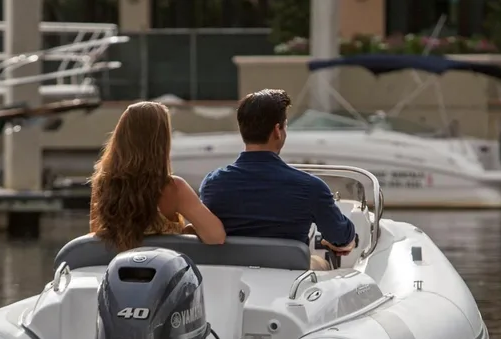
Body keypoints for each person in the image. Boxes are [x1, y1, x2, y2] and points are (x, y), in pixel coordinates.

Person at [199, 89, 357, 270]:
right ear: (277, 130)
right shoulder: (310, 187)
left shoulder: (212, 184)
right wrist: (347, 240)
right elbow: (341, 236)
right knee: (322, 264)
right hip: (289, 280)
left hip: (232, 280)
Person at [89, 101, 226, 251]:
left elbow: (96, 236)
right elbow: (216, 237)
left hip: (117, 270)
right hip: (161, 271)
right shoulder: (173, 188)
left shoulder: (104, 183)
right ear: (162, 141)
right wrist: (188, 231)